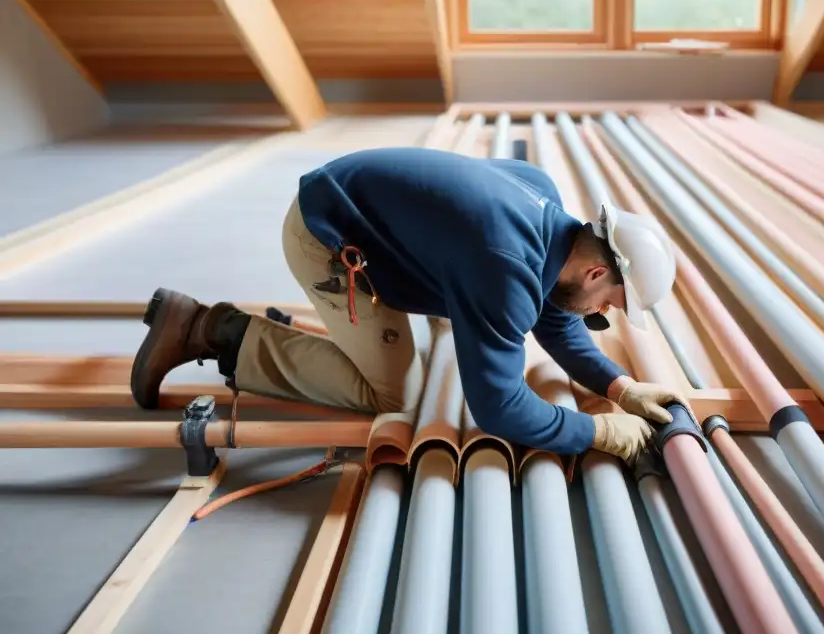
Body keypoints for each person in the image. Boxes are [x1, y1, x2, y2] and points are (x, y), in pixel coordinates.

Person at [130, 146, 683, 461]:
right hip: (327, 239)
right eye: (608, 302)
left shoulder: (544, 200)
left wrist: (619, 387)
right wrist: (595, 433)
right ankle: (209, 329)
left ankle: (234, 329)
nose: (602, 315)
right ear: (594, 270)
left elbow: (552, 315)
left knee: (427, 342)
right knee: (396, 393)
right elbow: (498, 407)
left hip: (355, 207)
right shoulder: (505, 265)